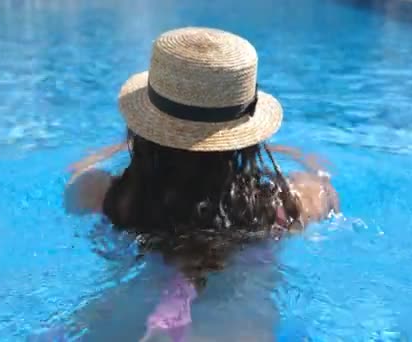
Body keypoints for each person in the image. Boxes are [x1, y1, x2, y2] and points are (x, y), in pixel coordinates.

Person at [64, 27, 339, 342]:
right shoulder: (290, 203)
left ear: (142, 129)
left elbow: (76, 173)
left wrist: (111, 149)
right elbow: (326, 184)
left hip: (118, 325)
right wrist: (303, 157)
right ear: (247, 138)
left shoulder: (101, 193)